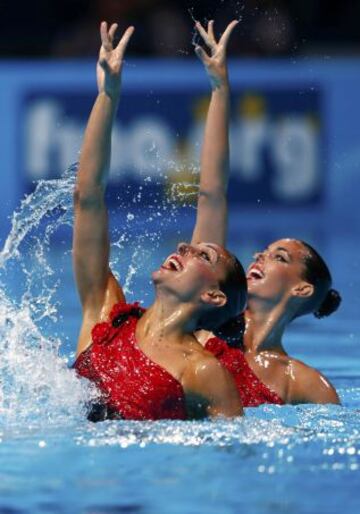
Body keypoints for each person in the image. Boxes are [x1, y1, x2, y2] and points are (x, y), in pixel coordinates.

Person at [72, 21, 246, 421]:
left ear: (214, 297)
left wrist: (220, 91)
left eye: (203, 254)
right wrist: (107, 96)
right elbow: (87, 197)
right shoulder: (103, 313)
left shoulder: (202, 370)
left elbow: (212, 194)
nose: (184, 246)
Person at [191, 20, 341, 406]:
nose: (259, 256)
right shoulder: (210, 311)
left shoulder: (306, 385)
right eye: (265, 251)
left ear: (302, 289)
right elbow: (212, 194)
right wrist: (220, 89)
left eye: (280, 257)